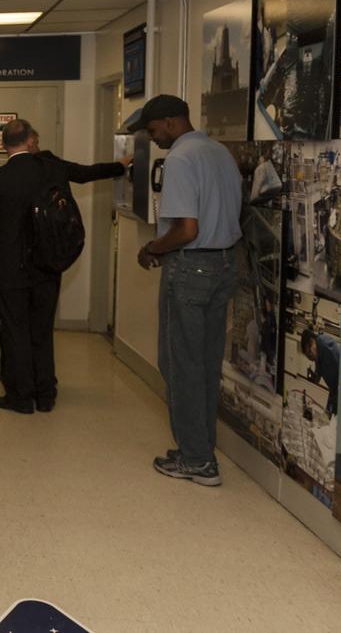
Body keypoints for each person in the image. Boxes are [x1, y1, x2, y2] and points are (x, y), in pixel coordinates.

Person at [0, 119, 127, 414]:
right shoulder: (54, 170)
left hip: (9, 269)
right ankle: (45, 394)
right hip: (47, 266)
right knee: (42, 330)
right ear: (31, 140)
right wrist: (121, 165)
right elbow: (86, 173)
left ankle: (21, 397)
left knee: (15, 331)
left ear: (4, 144)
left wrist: (4, 251)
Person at [131, 94, 242, 487]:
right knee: (206, 363)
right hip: (225, 264)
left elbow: (186, 229)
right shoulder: (219, 152)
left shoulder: (179, 158)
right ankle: (200, 449)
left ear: (171, 122)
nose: (153, 136)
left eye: (153, 129)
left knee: (181, 364)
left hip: (191, 268)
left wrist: (151, 248)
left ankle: (196, 460)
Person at [300, 328, 341, 417]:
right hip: (334, 390)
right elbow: (319, 366)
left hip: (340, 390)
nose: (310, 358)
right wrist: (315, 377)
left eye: (309, 354)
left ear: (311, 343)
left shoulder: (325, 347)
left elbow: (338, 381)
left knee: (331, 418)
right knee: (328, 415)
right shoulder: (318, 346)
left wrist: (330, 412)